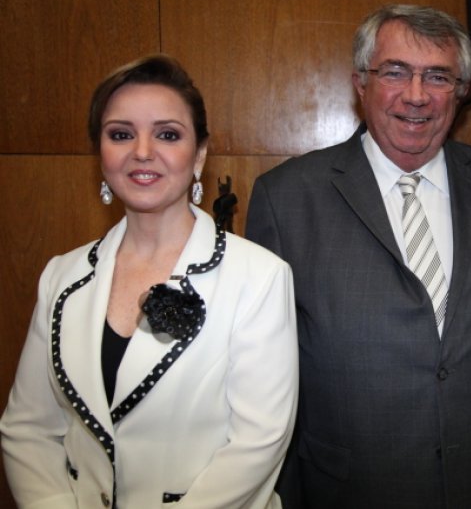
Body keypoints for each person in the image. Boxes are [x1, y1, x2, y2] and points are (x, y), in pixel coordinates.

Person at [246, 4, 471, 509]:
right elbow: (262, 378)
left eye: (438, 76)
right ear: (360, 82)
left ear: (461, 92)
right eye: (395, 72)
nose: (416, 95)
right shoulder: (286, 198)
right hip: (347, 491)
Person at [0, 55, 298, 508]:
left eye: (167, 134)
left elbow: (258, 444)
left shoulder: (259, 276)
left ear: (199, 154)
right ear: (101, 154)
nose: (142, 151)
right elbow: (27, 429)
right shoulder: (61, 275)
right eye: (121, 134)